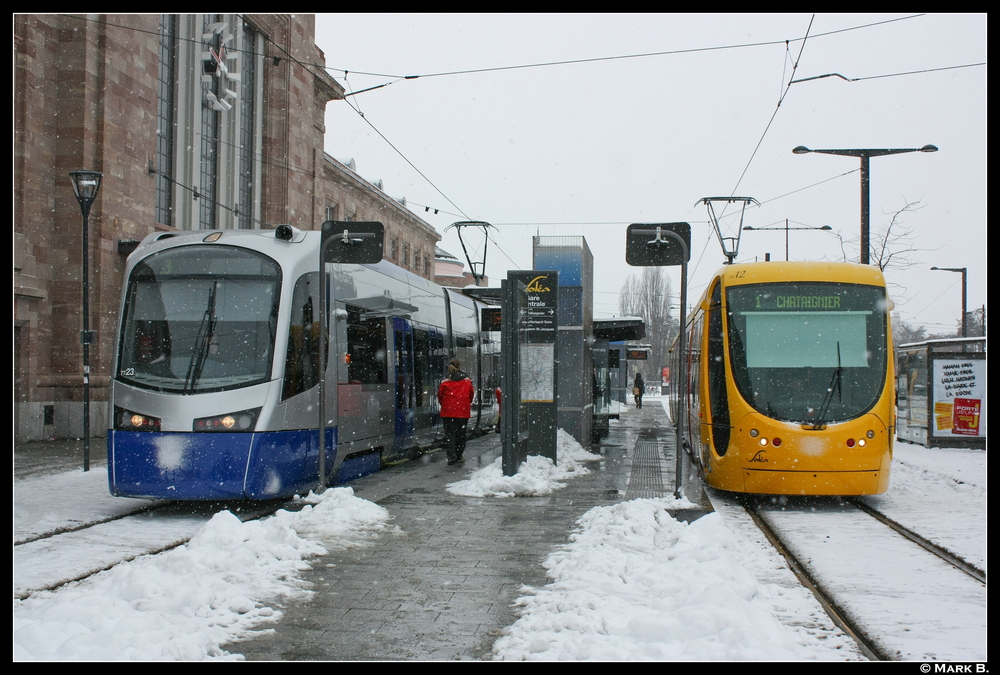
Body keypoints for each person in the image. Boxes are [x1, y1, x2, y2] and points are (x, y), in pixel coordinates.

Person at [438, 358, 474, 464]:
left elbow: (440, 396)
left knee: (450, 435)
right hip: (462, 412)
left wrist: (445, 405)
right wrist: (465, 403)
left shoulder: (444, 382)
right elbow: (471, 394)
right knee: (461, 435)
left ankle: (451, 457)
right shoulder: (467, 381)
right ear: (459, 367)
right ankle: (459, 456)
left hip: (448, 412)